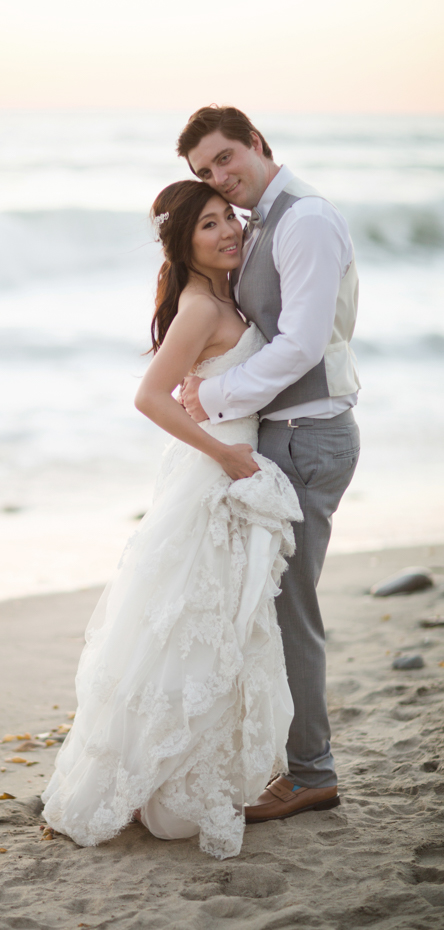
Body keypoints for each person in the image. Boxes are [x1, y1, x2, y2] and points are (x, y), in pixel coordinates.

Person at [41, 180, 304, 860]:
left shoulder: (221, 295)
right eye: (210, 226)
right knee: (191, 628)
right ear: (183, 241)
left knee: (211, 629)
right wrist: (223, 453)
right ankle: (164, 778)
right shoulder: (197, 305)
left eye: (230, 221)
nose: (228, 234)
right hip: (214, 479)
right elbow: (150, 397)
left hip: (223, 475)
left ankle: (193, 768)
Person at [178, 105, 361, 822]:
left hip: (307, 437)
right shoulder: (263, 221)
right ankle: (293, 761)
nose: (221, 177)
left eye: (227, 158)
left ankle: (312, 772)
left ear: (256, 142)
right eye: (204, 173)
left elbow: (301, 344)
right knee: (271, 609)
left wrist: (213, 394)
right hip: (284, 434)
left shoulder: (305, 220)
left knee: (292, 613)